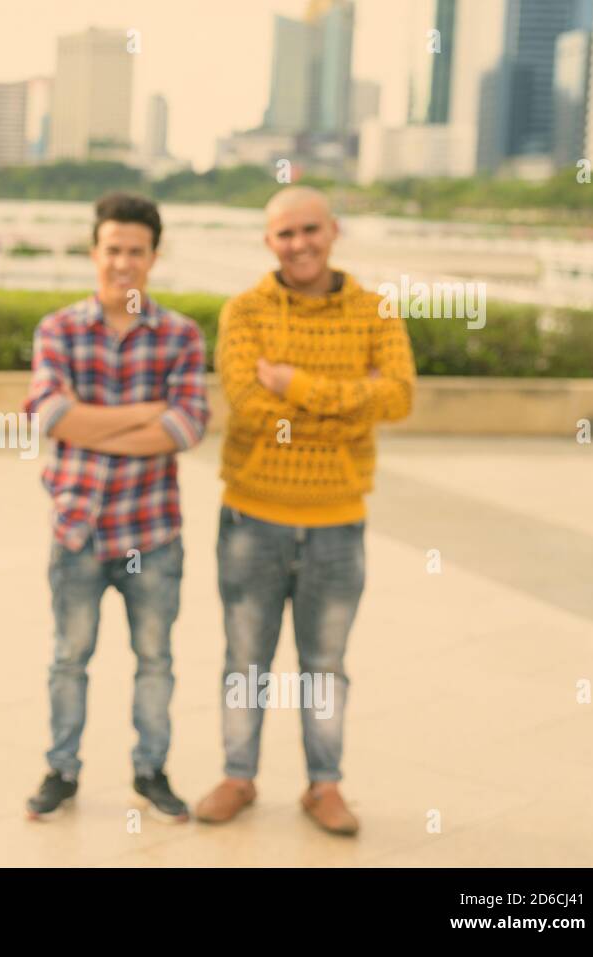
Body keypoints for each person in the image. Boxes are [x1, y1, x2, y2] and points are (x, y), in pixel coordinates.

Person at [194, 185, 415, 835]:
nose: (300, 244)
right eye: (286, 234)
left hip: (337, 521)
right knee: (245, 658)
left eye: (310, 229)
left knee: (325, 664)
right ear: (269, 242)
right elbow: (249, 405)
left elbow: (398, 396)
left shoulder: (376, 312)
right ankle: (239, 775)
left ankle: (325, 785)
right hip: (251, 516)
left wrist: (294, 384)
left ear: (334, 230)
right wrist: (350, 402)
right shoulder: (245, 311)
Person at [22, 193, 209, 823]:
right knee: (68, 658)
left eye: (136, 251)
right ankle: (62, 771)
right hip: (77, 528)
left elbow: (185, 429)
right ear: (94, 252)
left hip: (152, 535)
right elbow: (50, 416)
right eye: (112, 250)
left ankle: (151, 772)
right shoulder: (59, 329)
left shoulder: (181, 335)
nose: (122, 263)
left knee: (155, 660)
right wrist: (143, 414)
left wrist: (88, 424)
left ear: (153, 257)